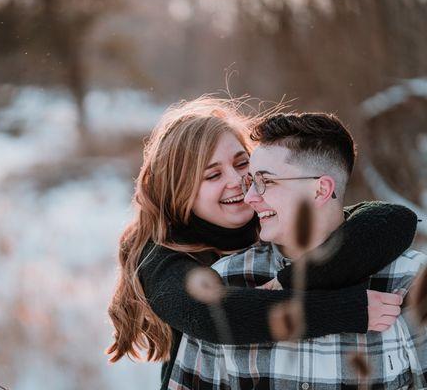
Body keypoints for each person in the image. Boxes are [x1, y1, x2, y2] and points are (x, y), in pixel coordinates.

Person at [106, 97, 418, 390]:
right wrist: (348, 310)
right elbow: (214, 317)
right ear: (179, 192)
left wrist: (293, 280)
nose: (239, 183)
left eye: (243, 164)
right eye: (213, 175)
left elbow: (392, 221)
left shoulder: (270, 221)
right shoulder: (164, 258)